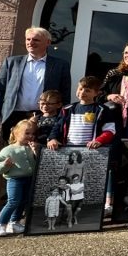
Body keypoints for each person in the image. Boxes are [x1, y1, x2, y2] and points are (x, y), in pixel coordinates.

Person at [0, 27, 72, 142]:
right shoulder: (12, 62)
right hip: (13, 117)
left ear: (48, 42)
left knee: (38, 155)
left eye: (36, 40)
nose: (30, 43)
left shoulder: (60, 65)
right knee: (11, 155)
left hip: (44, 118)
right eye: (28, 39)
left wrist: (63, 121)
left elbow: (65, 95)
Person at [48, 76, 119, 213]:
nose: (82, 93)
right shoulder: (68, 109)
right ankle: (68, 206)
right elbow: (57, 127)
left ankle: (92, 207)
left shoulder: (102, 109)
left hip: (91, 152)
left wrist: (99, 140)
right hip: (69, 151)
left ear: (96, 93)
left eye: (87, 90)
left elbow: (110, 130)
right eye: (80, 89)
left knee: (88, 179)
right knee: (69, 179)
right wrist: (52, 139)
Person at [0, 118, 39, 237]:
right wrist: (4, 165)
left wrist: (36, 151)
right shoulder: (9, 150)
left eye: (33, 134)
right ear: (16, 133)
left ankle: (14, 223)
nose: (30, 136)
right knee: (13, 201)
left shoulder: (31, 148)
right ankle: (0, 225)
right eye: (27, 133)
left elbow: (38, 161)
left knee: (23, 201)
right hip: (15, 180)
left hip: (29, 179)